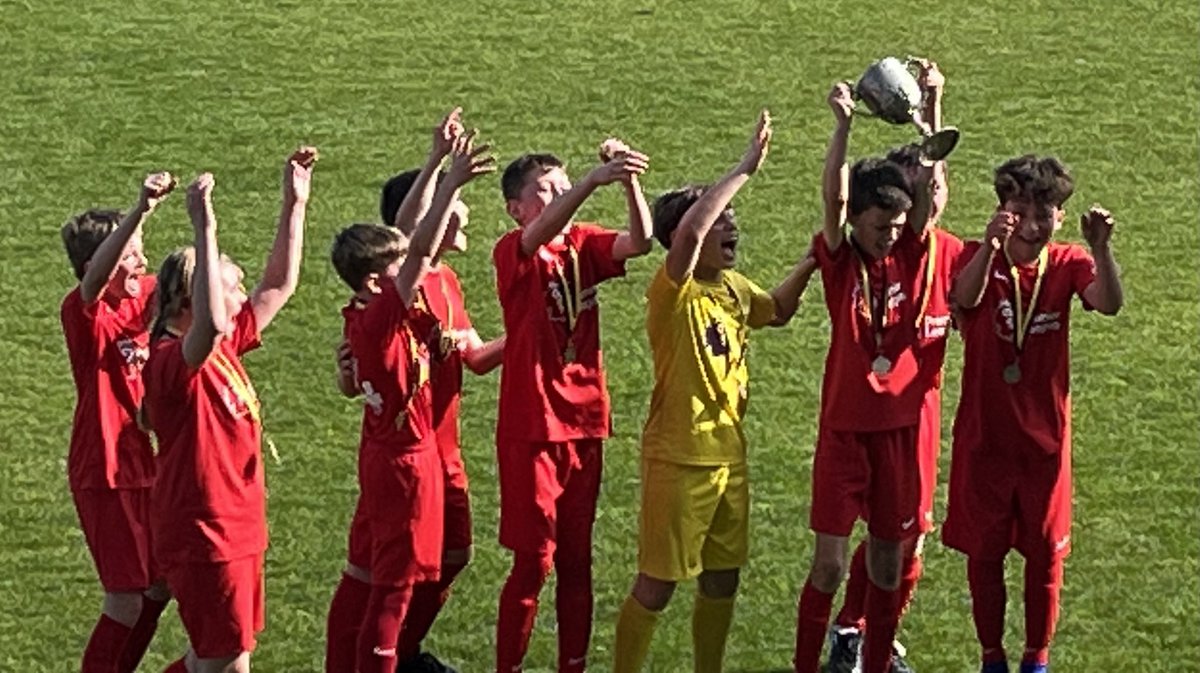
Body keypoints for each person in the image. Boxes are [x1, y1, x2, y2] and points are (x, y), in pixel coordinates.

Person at [611, 111, 818, 673]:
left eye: (733, 218)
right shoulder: (672, 293)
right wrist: (745, 167)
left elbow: (777, 311)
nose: (732, 227)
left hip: (729, 456)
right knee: (658, 584)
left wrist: (811, 262)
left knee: (723, 577)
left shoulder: (732, 287)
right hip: (679, 458)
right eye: (721, 219)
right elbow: (689, 234)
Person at [793, 77, 963, 673]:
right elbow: (834, 200)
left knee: (890, 566)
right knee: (829, 567)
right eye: (877, 227)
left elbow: (932, 193)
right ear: (855, 222)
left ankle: (873, 663)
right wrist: (842, 127)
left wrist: (931, 113)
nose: (889, 236)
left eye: (895, 226)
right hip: (845, 432)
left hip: (899, 433)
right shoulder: (840, 261)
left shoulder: (914, 251)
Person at [324, 109, 503, 673]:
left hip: (417, 450)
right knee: (388, 585)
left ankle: (397, 656)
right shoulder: (382, 313)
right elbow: (416, 246)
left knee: (416, 572)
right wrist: (447, 177)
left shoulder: (374, 311)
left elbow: (413, 249)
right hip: (404, 458)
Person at [942, 155, 1123, 673]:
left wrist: (1102, 249)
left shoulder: (1067, 263)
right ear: (1002, 210)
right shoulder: (975, 256)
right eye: (1020, 211)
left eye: (1044, 213)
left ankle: (1036, 659)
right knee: (985, 556)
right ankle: (992, 656)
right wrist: (990, 245)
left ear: (1060, 217)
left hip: (1044, 444)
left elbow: (1108, 303)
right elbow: (963, 298)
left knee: (1045, 558)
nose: (1032, 224)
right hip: (985, 440)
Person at [144, 148, 317, 673]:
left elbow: (279, 285)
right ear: (190, 298)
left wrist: (294, 204)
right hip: (206, 533)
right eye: (229, 283)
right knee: (227, 661)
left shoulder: (222, 347)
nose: (242, 290)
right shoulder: (172, 361)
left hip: (235, 526)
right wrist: (205, 227)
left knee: (215, 656)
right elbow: (213, 324)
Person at [491, 138, 652, 673]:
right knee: (534, 561)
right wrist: (588, 182)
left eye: (563, 184)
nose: (559, 194)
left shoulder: (581, 244)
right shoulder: (513, 250)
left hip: (584, 422)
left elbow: (641, 241)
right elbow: (540, 233)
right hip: (533, 425)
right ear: (516, 208)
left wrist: (628, 181)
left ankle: (573, 665)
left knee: (577, 559)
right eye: (547, 189)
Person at [60, 171, 176, 673]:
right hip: (106, 468)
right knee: (126, 598)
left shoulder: (140, 294)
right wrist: (141, 209)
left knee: (161, 583)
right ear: (100, 264)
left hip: (148, 464)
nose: (142, 263)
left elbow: (181, 281)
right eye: (130, 254)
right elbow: (93, 284)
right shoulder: (83, 312)